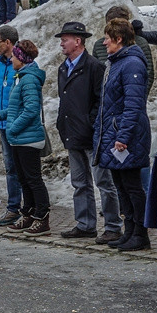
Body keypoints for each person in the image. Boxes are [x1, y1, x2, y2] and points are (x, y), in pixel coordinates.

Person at [94, 19, 152, 250]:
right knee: (121, 185)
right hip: (116, 133)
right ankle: (129, 232)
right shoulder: (117, 62)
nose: (104, 42)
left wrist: (123, 136)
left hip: (127, 136)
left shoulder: (131, 64)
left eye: (108, 37)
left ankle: (141, 234)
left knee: (132, 186)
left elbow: (133, 105)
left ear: (119, 39)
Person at [0, 39, 52, 233]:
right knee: (24, 178)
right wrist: (1, 114)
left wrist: (13, 128)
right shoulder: (21, 77)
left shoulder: (29, 79)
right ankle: (29, 213)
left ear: (21, 59)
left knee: (33, 179)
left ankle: (42, 217)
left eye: (15, 56)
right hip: (20, 138)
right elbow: (18, 107)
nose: (13, 59)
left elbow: (32, 109)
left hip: (28, 138)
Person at [53, 21, 105, 238]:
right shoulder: (63, 68)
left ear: (78, 41)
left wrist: (90, 122)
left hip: (90, 133)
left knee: (103, 182)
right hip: (72, 132)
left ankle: (111, 227)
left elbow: (100, 100)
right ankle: (85, 224)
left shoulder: (94, 66)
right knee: (79, 183)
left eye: (65, 39)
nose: (61, 44)